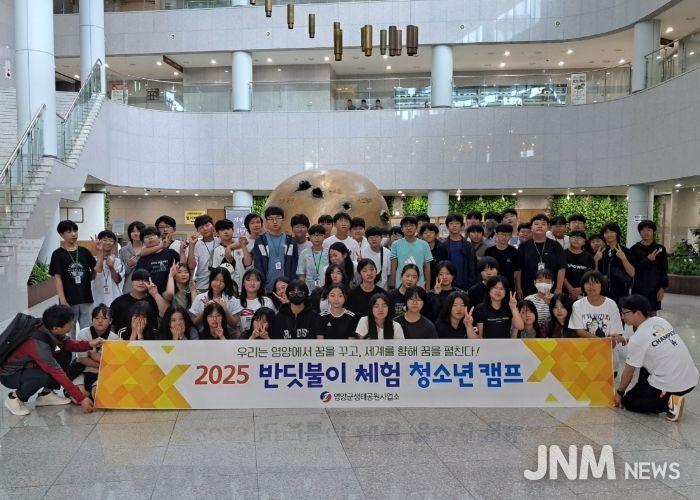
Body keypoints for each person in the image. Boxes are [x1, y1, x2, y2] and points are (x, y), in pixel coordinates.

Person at [1, 305, 103, 415]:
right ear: (56, 328)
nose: (73, 324)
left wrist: (89, 344)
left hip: (30, 365)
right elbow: (57, 372)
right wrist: (81, 398)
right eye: (70, 322)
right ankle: (14, 398)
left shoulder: (47, 326)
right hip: (10, 375)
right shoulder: (38, 344)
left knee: (65, 354)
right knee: (42, 377)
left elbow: (68, 344)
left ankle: (46, 395)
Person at [615, 295, 698, 421]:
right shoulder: (659, 321)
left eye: (624, 313)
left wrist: (619, 393)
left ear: (637, 313)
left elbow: (628, 372)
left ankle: (670, 404)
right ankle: (656, 393)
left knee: (630, 401)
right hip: (690, 379)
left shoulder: (638, 339)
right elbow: (648, 340)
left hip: (674, 384)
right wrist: (625, 340)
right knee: (645, 363)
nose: (622, 317)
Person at [49, 220, 96, 336]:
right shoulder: (57, 254)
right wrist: (63, 300)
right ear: (61, 234)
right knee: (69, 332)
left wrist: (89, 279)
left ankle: (86, 348)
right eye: (69, 232)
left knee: (88, 332)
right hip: (68, 300)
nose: (73, 234)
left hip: (86, 298)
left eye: (75, 231)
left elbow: (95, 269)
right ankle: (70, 350)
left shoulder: (84, 252)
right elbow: (58, 278)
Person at [72, 304, 119, 401]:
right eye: (96, 318)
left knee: (99, 397)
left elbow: (112, 362)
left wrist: (94, 356)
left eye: (104, 318)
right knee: (78, 398)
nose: (100, 321)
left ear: (110, 321)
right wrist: (102, 363)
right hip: (81, 371)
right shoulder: (83, 333)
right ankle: (84, 393)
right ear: (92, 320)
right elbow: (83, 359)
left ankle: (90, 393)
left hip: (102, 374)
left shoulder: (114, 338)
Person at [516, 214, 566, 299]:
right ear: (531, 228)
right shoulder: (524, 246)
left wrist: (559, 288)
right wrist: (518, 288)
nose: (540, 226)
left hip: (551, 288)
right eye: (536, 224)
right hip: (528, 288)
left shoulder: (555, 245)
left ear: (548, 228)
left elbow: (562, 268)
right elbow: (519, 269)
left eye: (543, 224)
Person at [568, 271, 626, 345]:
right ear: (583, 286)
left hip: (608, 347)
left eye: (595, 282)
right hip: (585, 347)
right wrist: (602, 342)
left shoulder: (611, 304)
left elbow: (615, 332)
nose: (591, 286)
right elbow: (580, 331)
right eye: (587, 283)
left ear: (602, 285)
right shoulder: (577, 305)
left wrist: (605, 343)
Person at [253, 206, 299, 293]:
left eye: (278, 218)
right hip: (266, 288)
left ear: (283, 220)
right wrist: (261, 284)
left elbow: (294, 264)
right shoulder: (260, 241)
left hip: (287, 288)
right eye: (271, 219)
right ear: (266, 221)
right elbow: (258, 265)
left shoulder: (291, 241)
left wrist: (292, 285)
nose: (275, 221)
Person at [110, 269, 168, 334]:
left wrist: (155, 294)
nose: (141, 283)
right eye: (137, 280)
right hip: (124, 338)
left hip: (150, 338)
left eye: (145, 280)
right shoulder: (119, 302)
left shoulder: (154, 300)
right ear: (132, 282)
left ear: (150, 282)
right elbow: (111, 325)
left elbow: (167, 314)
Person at [630, 220, 668, 315]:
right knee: (638, 315)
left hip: (654, 288)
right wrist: (647, 259)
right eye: (642, 230)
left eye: (648, 230)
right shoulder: (634, 249)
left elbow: (664, 269)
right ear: (639, 232)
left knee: (652, 316)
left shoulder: (660, 249)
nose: (645, 232)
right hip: (638, 288)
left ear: (653, 231)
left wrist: (662, 288)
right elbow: (633, 270)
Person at [595, 221, 635, 303]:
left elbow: (632, 273)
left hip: (621, 294)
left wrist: (623, 258)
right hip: (604, 294)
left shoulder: (625, 251)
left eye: (612, 232)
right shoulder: (601, 252)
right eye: (606, 232)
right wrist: (595, 261)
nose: (609, 235)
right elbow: (596, 275)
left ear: (617, 233)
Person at [389, 216, 433, 289]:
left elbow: (427, 268)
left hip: (419, 285)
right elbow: (393, 267)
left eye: (411, 225)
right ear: (402, 229)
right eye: (406, 226)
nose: (408, 228)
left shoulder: (424, 244)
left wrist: (428, 287)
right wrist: (392, 286)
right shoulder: (396, 244)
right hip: (400, 285)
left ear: (416, 228)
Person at [135, 226, 181, 294]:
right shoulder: (143, 259)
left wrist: (183, 252)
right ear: (143, 242)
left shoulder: (171, 253)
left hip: (172, 292)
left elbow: (182, 266)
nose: (150, 238)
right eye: (146, 237)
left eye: (153, 235)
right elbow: (139, 277)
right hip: (150, 294)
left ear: (159, 238)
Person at [187, 215, 220, 293]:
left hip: (220, 284)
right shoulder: (195, 244)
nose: (205, 229)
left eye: (207, 225)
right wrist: (191, 245)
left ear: (213, 226)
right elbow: (191, 266)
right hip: (202, 286)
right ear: (198, 231)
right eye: (201, 227)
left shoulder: (220, 241)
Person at [91, 230, 124, 306]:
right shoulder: (92, 260)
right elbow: (91, 278)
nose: (108, 242)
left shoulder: (117, 261)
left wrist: (111, 267)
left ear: (114, 243)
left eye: (111, 240)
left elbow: (118, 280)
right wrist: (100, 258)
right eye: (105, 240)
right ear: (99, 241)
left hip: (114, 297)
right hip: (95, 297)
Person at [238, 268, 275, 333]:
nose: (252, 283)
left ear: (260, 284)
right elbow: (235, 326)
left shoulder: (267, 301)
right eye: (248, 280)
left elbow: (273, 322)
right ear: (243, 283)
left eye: (256, 280)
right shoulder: (237, 302)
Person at [485, 223, 519, 293]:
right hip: (492, 285)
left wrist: (518, 287)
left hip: (509, 286)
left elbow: (516, 271)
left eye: (507, 235)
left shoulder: (514, 252)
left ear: (511, 236)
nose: (504, 237)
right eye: (501, 234)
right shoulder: (489, 251)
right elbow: (486, 269)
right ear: (496, 234)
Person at [563, 230, 594, 300]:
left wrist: (581, 289)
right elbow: (561, 273)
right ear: (569, 239)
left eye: (580, 238)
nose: (576, 240)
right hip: (565, 293)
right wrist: (570, 289)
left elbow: (591, 275)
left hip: (583, 294)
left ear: (584, 242)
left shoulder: (589, 257)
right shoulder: (562, 254)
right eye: (574, 237)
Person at [297, 224, 328, 292]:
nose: (317, 238)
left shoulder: (328, 253)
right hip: (308, 290)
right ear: (310, 237)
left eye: (320, 235)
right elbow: (301, 274)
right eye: (314, 235)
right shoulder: (304, 253)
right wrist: (302, 290)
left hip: (326, 289)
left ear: (324, 237)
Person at [119, 220, 146, 294]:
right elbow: (121, 273)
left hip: (146, 287)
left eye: (139, 231)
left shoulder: (149, 249)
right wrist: (128, 265)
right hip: (129, 288)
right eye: (133, 231)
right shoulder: (123, 250)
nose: (136, 233)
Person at [420, 222, 447, 289]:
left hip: (440, 281)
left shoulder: (442, 247)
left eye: (431, 232)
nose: (428, 235)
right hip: (422, 281)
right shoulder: (418, 248)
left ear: (436, 234)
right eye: (425, 233)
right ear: (421, 236)